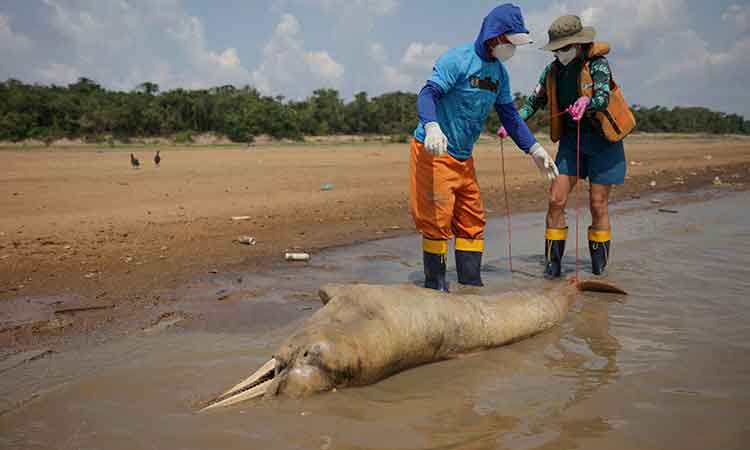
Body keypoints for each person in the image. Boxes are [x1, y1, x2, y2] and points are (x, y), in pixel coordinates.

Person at [410, 3, 558, 292]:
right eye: (510, 42)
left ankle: (470, 287)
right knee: (438, 220)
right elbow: (428, 94)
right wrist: (431, 126)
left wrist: (534, 149)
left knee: (472, 219)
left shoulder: (499, 74)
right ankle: (436, 288)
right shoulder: (457, 60)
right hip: (435, 151)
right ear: (495, 37)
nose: (512, 50)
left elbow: (510, 116)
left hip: (464, 157)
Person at [498, 15, 628, 277]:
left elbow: (602, 97)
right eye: (556, 49)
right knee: (555, 200)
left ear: (578, 44)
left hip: (603, 143)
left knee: (597, 204)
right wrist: (512, 123)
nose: (560, 53)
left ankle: (598, 270)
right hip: (571, 143)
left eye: (565, 48)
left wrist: (586, 103)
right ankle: (553, 267)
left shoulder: (598, 65)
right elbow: (532, 103)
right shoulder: (551, 72)